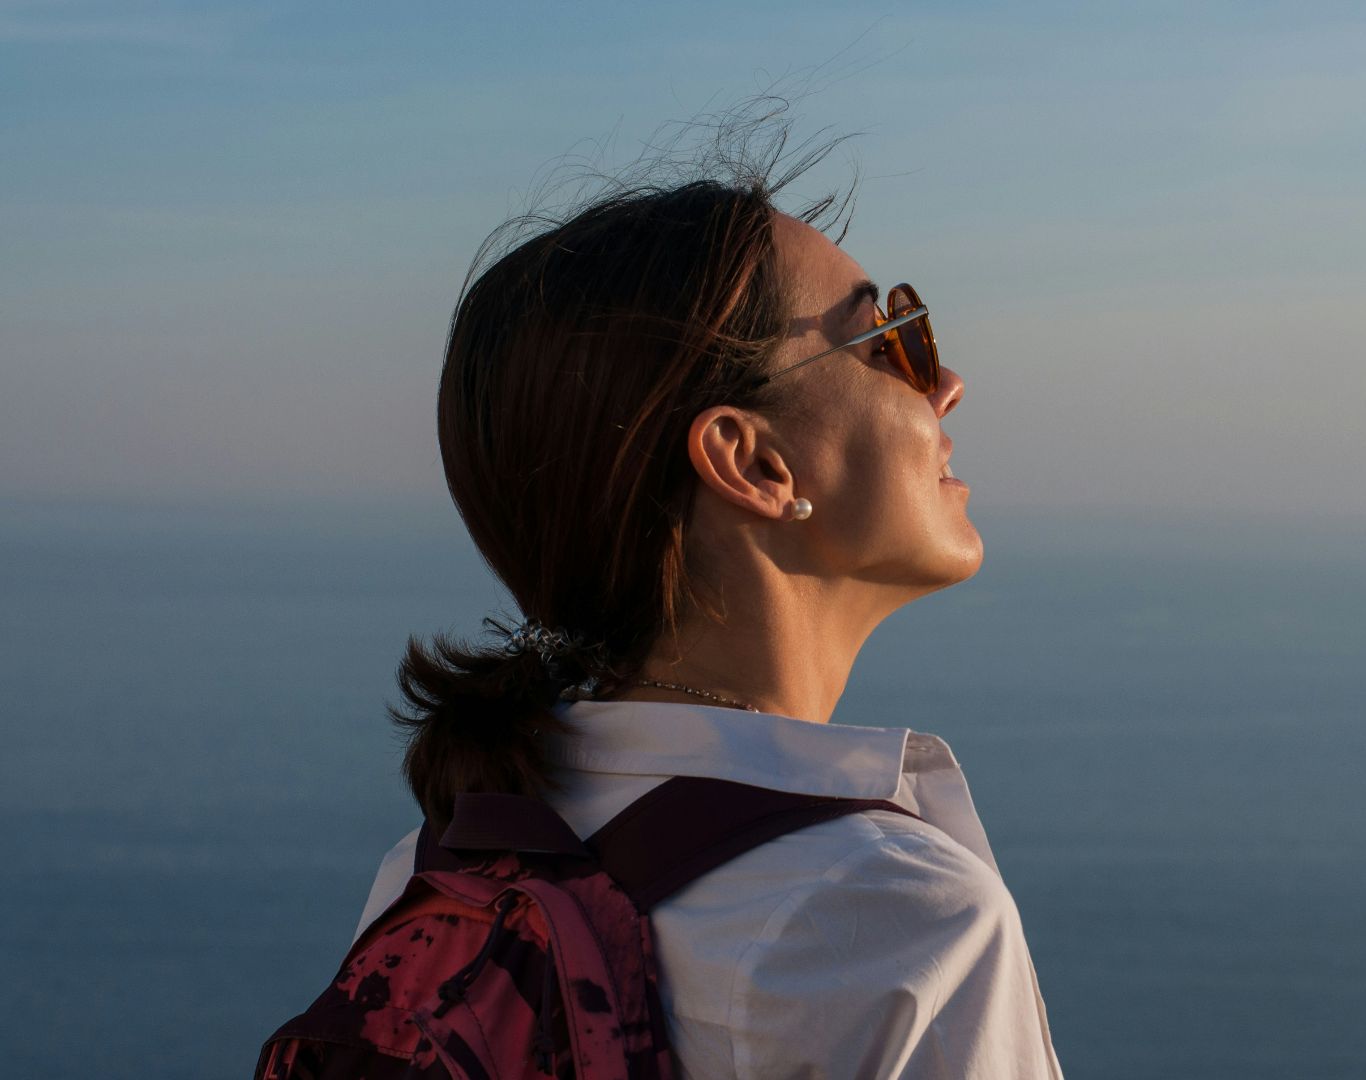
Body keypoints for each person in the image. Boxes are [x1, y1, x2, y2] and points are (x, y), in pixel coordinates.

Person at [350, 116, 1065, 1078]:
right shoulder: (892, 920)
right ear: (753, 461)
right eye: (891, 337)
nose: (946, 382)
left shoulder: (435, 872)